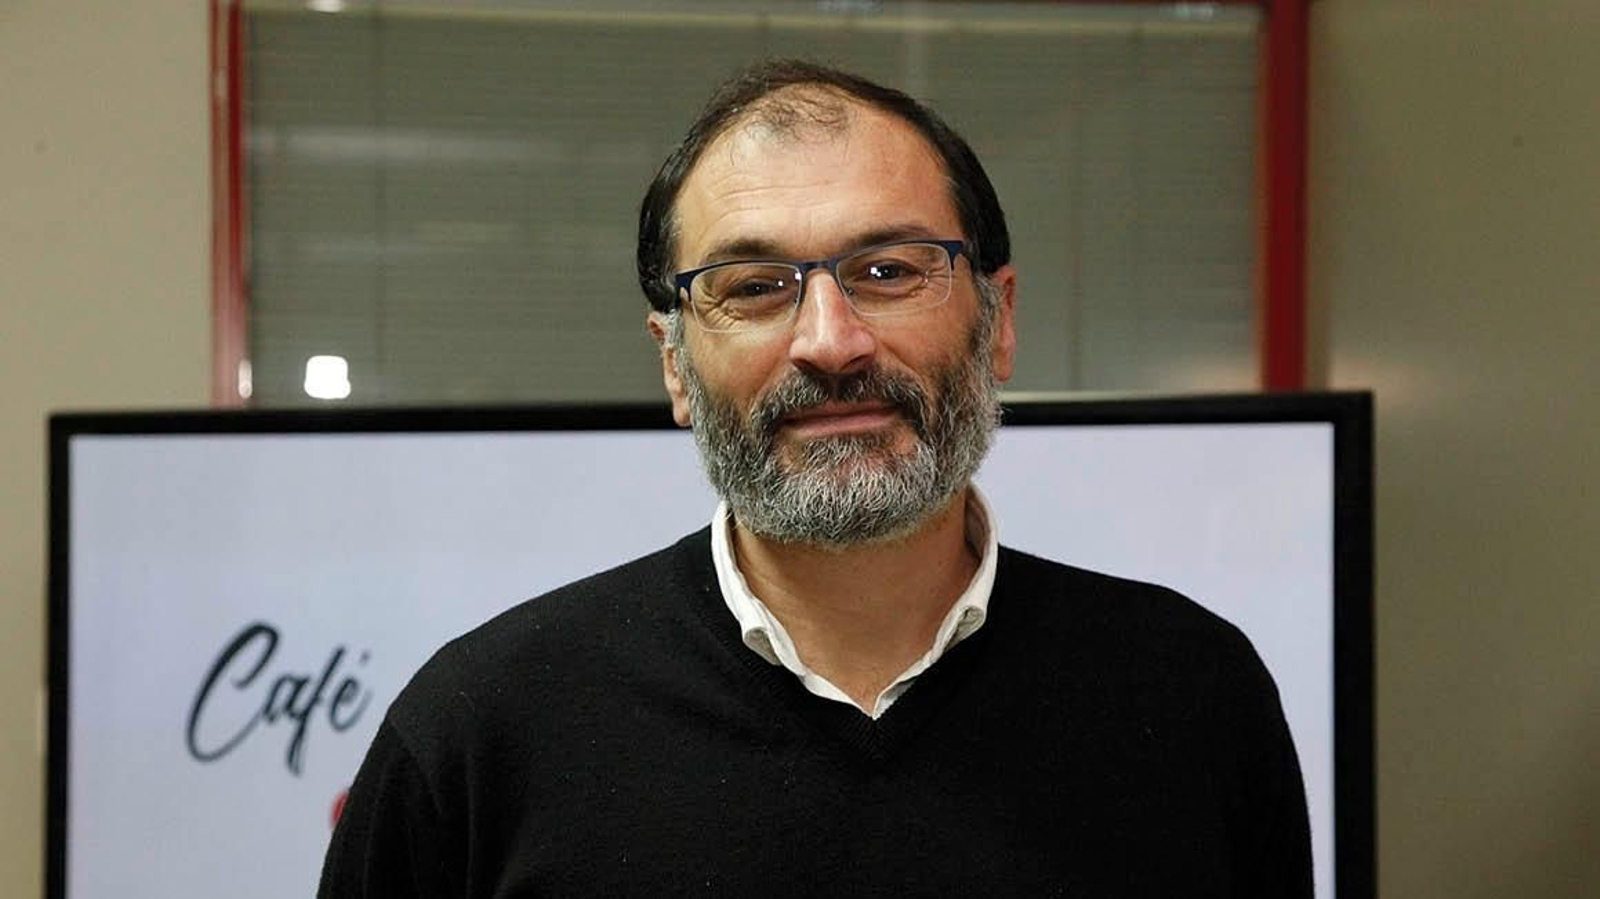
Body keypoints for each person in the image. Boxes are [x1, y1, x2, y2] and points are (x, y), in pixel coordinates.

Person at [320, 59, 1312, 897]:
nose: (830, 342)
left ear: (997, 319)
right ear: (674, 362)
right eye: (752, 288)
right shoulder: (480, 729)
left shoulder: (1188, 692)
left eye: (889, 270)